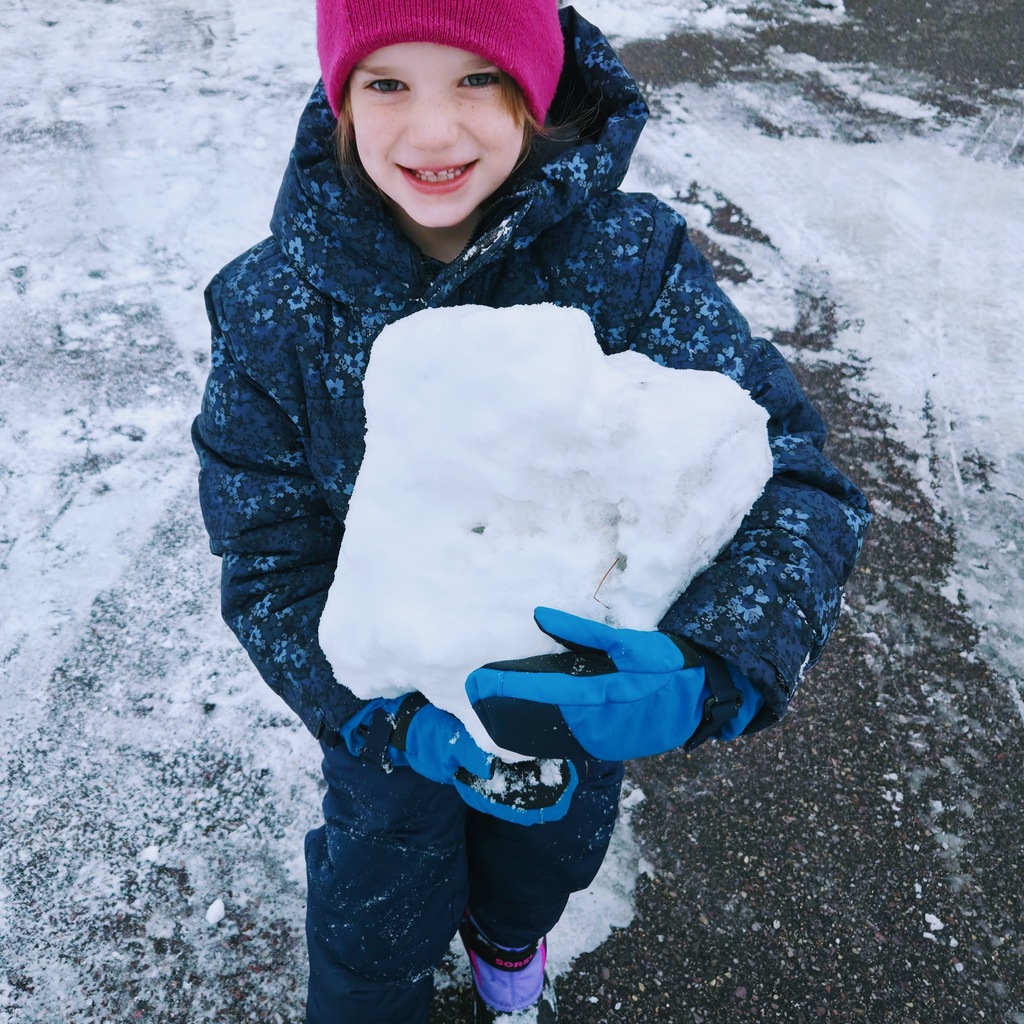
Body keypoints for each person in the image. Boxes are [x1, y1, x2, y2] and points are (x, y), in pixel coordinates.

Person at [191, 1, 871, 1021]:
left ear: (536, 90)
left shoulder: (629, 264)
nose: (432, 131)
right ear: (342, 98)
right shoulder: (271, 306)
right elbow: (268, 557)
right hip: (391, 726)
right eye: (387, 83)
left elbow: (793, 478)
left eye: (478, 78)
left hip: (566, 699)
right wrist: (378, 718)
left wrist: (716, 660)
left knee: (541, 854)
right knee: (374, 907)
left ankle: (509, 937)